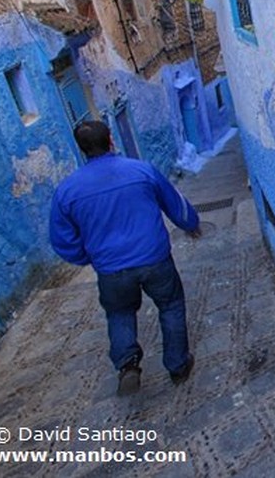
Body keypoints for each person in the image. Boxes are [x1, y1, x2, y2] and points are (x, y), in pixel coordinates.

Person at [50, 121, 201, 395]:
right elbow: (173, 201)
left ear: (81, 149)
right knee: (171, 306)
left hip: (111, 269)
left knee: (119, 313)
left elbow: (62, 239)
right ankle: (178, 366)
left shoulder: (67, 191)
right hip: (154, 258)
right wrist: (190, 224)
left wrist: (89, 257)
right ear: (111, 140)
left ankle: (128, 363)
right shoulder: (140, 170)